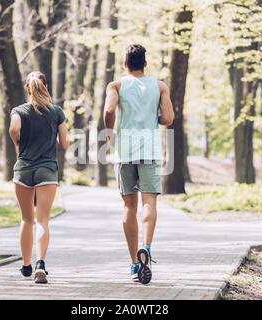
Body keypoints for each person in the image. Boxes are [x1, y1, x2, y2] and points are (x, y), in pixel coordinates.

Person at [103, 44, 174, 284]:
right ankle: (147, 247)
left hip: (124, 152)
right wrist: (154, 113)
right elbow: (169, 118)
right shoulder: (160, 86)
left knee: (128, 207)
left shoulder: (116, 86)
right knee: (149, 202)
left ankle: (135, 263)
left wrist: (109, 132)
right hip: (151, 151)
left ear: (125, 64)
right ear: (145, 63)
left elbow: (109, 109)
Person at [9, 71, 70, 284]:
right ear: (46, 87)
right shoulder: (56, 112)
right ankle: (40, 264)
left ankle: (26, 266)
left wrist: (17, 140)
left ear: (27, 88)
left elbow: (14, 127)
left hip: (23, 170)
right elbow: (64, 143)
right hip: (47, 170)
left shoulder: (19, 111)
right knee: (43, 220)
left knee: (26, 219)